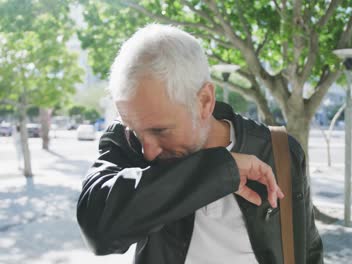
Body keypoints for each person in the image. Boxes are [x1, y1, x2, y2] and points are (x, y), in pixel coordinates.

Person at [76, 24, 323, 264]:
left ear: (205, 101)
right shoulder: (126, 142)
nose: (148, 152)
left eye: (160, 130)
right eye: (135, 131)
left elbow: (308, 250)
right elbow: (99, 230)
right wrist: (221, 171)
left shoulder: (280, 151)